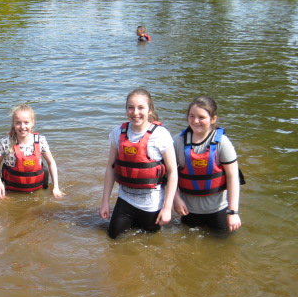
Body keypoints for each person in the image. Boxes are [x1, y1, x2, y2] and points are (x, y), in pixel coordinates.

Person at [99, 88, 178, 239]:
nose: (135, 113)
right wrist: (105, 202)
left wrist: (167, 207)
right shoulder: (118, 132)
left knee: (150, 243)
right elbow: (110, 167)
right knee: (113, 238)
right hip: (125, 200)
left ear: (150, 110)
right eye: (131, 107)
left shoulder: (161, 135)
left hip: (151, 205)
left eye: (141, 108)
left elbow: (172, 171)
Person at [173, 96, 243, 232]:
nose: (195, 121)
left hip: (218, 209)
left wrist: (233, 212)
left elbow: (233, 178)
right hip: (188, 210)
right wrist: (176, 200)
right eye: (192, 116)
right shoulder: (177, 142)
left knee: (223, 243)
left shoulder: (222, 143)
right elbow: (168, 174)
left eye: (201, 117)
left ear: (213, 119)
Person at [0, 104, 64, 199]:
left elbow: (51, 162)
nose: (22, 126)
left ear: (32, 122)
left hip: (37, 190)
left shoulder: (40, 141)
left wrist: (56, 187)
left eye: (26, 122)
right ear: (13, 123)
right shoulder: (5, 143)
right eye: (18, 123)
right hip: (12, 191)